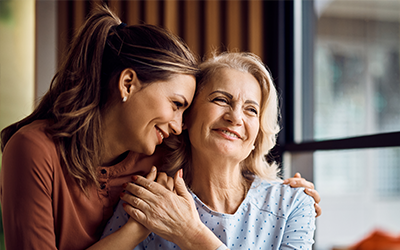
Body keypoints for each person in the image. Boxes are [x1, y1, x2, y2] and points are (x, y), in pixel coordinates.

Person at [0, 5, 199, 250]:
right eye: (176, 104)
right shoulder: (34, 150)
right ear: (128, 84)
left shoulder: (163, 163)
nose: (178, 127)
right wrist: (137, 229)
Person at [102, 52, 317, 249]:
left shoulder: (292, 204)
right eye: (221, 100)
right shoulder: (148, 199)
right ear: (187, 117)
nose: (235, 117)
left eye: (251, 110)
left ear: (257, 135)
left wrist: (190, 233)